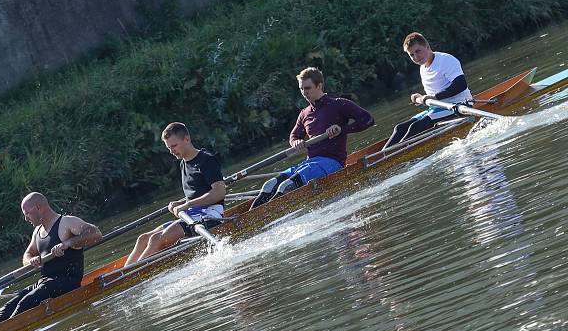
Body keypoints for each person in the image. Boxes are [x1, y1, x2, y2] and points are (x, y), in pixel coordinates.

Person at [250, 67, 374, 210]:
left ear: (319, 85)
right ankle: (246, 221)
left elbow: (368, 120)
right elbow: (294, 136)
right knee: (269, 184)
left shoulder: (339, 104)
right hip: (310, 163)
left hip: (332, 162)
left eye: (307, 88)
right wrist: (296, 142)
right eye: (301, 89)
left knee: (286, 186)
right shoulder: (304, 114)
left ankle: (265, 216)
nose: (304, 92)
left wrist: (342, 130)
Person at [0, 192, 102, 327]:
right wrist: (31, 260)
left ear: (38, 207)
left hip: (67, 281)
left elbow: (96, 233)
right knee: (7, 308)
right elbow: (27, 255)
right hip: (45, 283)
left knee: (25, 303)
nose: (26, 219)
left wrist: (68, 243)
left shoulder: (67, 222)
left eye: (27, 213)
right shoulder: (37, 231)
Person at [125, 122, 226, 266]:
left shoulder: (207, 160)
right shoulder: (183, 163)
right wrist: (181, 202)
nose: (171, 151)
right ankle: (124, 273)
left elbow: (219, 192)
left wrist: (188, 204)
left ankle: (131, 277)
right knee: (143, 238)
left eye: (174, 146)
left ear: (187, 139)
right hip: (193, 213)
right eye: (168, 148)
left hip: (211, 214)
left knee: (156, 240)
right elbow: (197, 193)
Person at [383, 32, 472, 149]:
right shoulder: (423, 68)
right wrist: (420, 98)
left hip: (459, 105)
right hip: (437, 107)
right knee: (399, 128)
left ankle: (394, 157)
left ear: (427, 46)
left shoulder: (446, 60)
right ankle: (383, 156)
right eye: (411, 55)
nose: (416, 57)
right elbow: (431, 96)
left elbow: (461, 85)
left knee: (416, 127)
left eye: (418, 51)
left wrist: (434, 98)